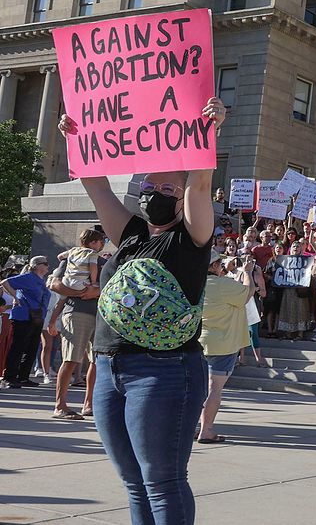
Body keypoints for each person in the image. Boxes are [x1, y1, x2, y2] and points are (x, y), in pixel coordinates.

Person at [57, 97, 224, 524]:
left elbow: (200, 185)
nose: (156, 193)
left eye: (169, 189)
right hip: (110, 369)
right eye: (151, 186)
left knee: (162, 481)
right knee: (133, 482)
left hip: (163, 370)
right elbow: (96, 185)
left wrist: (208, 132)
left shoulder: (191, 239)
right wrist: (77, 137)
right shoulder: (130, 234)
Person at [198, 250, 255, 443]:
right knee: (214, 389)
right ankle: (206, 430)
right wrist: (247, 272)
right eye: (219, 265)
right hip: (222, 344)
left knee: (196, 390)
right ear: (214, 266)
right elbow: (248, 292)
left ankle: (192, 428)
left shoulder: (193, 283)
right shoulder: (222, 284)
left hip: (198, 342)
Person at [47, 250, 104, 419]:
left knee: (96, 361)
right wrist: (81, 293)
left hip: (101, 316)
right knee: (71, 359)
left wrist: (98, 291)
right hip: (77, 313)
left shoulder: (108, 261)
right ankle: (60, 405)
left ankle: (89, 404)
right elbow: (53, 283)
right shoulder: (71, 259)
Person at [0, 256, 51, 388]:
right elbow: (5, 282)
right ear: (36, 266)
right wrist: (15, 297)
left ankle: (23, 376)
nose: (47, 266)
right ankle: (9, 377)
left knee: (31, 348)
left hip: (37, 317)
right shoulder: (28, 277)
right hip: (23, 316)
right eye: (45, 264)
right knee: (18, 346)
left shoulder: (41, 280)